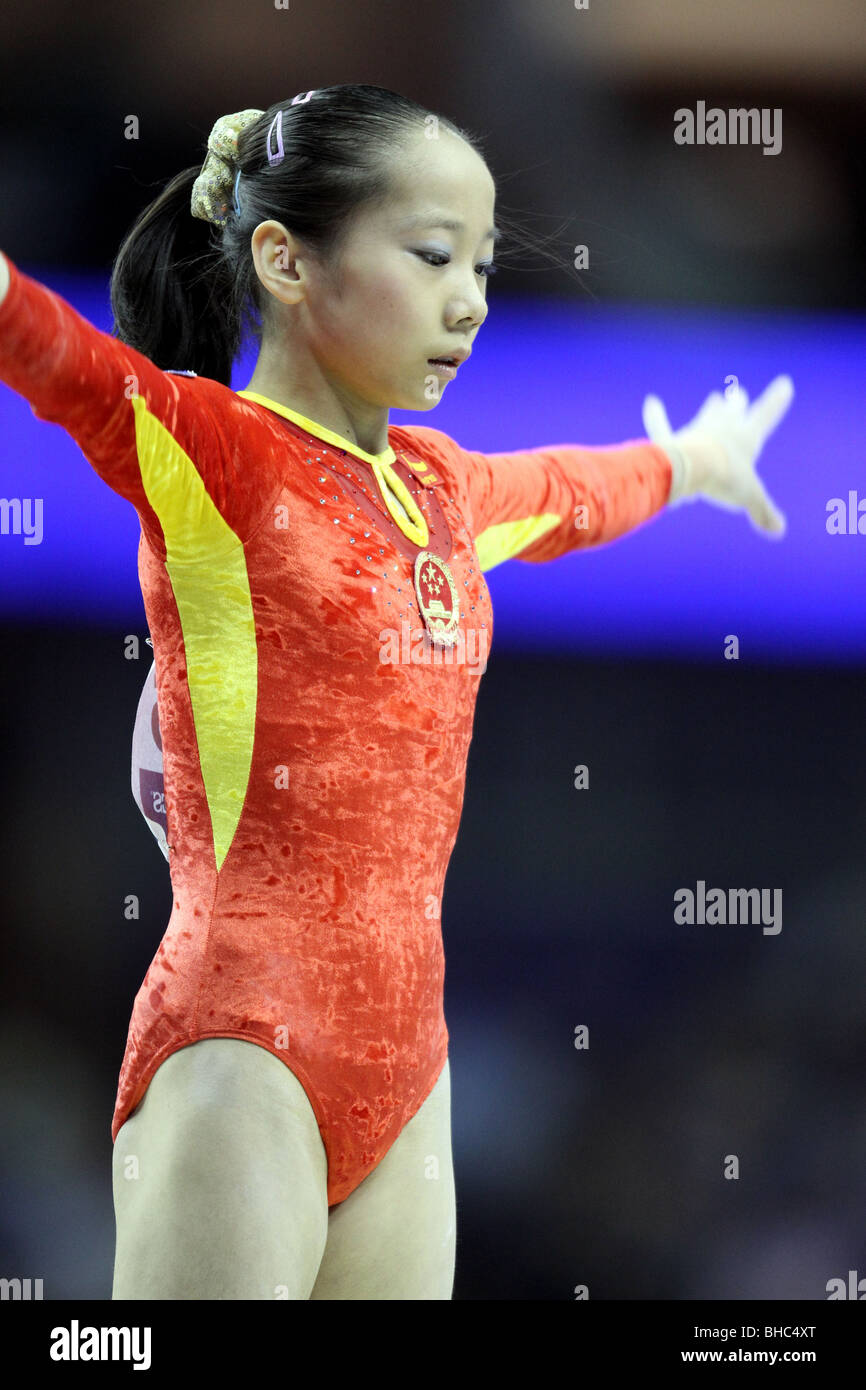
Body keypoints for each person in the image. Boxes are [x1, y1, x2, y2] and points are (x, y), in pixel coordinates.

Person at [0, 84, 793, 1301]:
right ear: (285, 260)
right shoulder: (214, 455)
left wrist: (691, 460)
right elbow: (51, 354)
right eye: (431, 256)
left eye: (478, 261)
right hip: (241, 1050)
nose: (468, 297)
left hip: (407, 1073)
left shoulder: (441, 490)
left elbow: (574, 492)